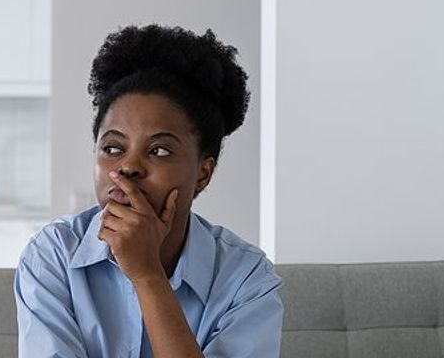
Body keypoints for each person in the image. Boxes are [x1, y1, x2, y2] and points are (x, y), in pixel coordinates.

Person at [14, 24, 283, 358]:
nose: (128, 168)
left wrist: (147, 275)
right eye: (112, 148)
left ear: (203, 173)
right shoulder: (53, 256)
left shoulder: (246, 280)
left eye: (158, 151)